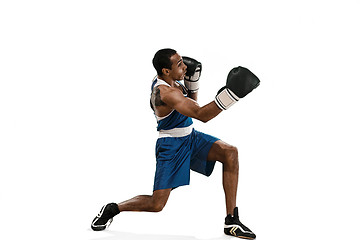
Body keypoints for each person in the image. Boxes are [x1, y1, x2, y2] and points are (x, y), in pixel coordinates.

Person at [91, 48, 260, 239]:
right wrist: (231, 95)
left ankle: (231, 221)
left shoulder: (175, 82)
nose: (185, 66)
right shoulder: (165, 92)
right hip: (171, 146)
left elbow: (193, 107)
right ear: (165, 71)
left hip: (191, 137)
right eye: (179, 64)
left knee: (230, 153)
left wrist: (192, 86)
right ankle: (113, 208)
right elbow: (201, 115)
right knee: (157, 204)